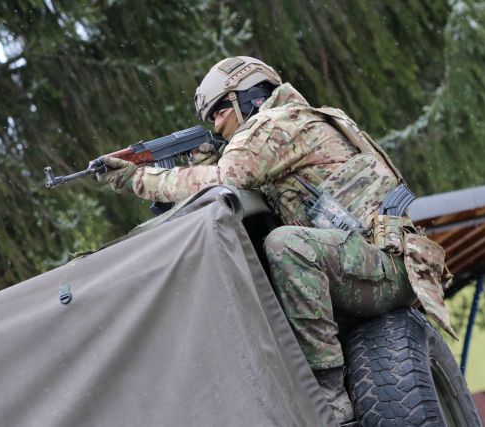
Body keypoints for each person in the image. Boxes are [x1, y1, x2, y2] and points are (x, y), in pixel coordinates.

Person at [99, 56, 455, 423]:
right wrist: (203, 162)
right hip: (372, 267)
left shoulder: (276, 123)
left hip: (384, 266)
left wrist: (136, 179)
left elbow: (224, 179)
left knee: (287, 246)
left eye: (220, 111)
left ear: (247, 96)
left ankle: (328, 391)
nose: (217, 125)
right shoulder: (293, 125)